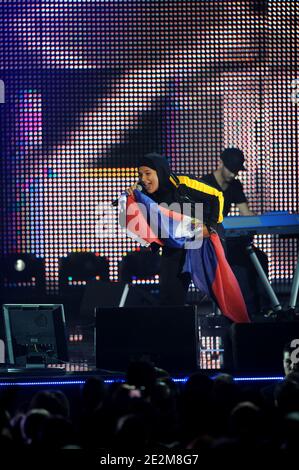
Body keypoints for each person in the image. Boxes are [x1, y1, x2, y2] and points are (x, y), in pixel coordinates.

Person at [126, 152, 224, 306]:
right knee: (170, 294)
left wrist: (211, 226)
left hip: (202, 239)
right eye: (140, 174)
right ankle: (174, 327)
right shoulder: (146, 193)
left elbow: (217, 196)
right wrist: (134, 195)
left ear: (161, 171)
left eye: (148, 173)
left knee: (218, 291)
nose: (143, 179)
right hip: (175, 242)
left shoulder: (183, 183)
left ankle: (234, 327)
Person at [200, 148, 270, 318]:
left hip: (226, 239)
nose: (233, 174)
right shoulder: (204, 185)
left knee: (260, 258)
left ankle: (265, 309)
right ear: (220, 164)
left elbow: (246, 213)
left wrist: (263, 219)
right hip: (208, 242)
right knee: (239, 264)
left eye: (236, 170)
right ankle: (244, 313)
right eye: (231, 169)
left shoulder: (235, 186)